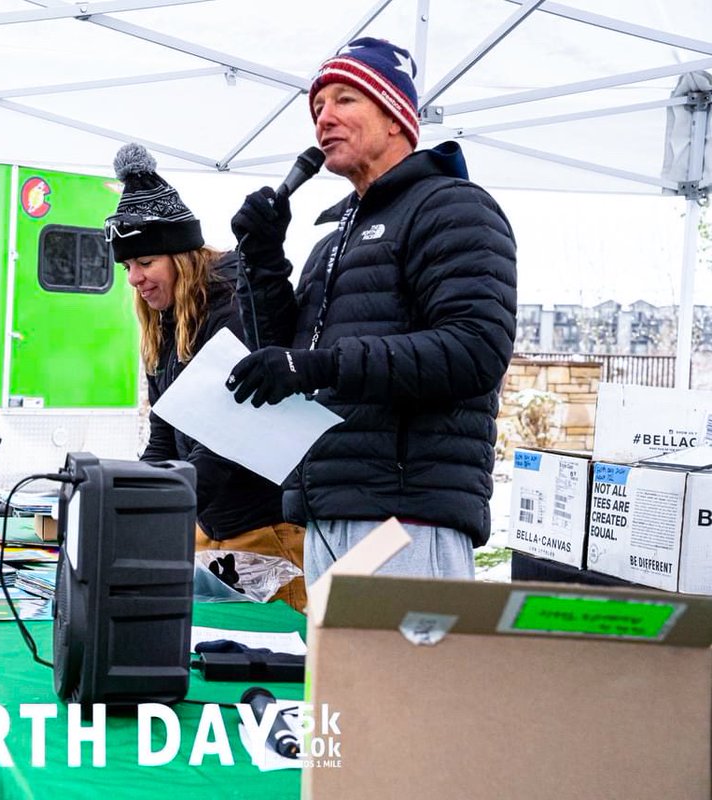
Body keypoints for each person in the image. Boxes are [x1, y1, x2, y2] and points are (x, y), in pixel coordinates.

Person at [226, 37, 517, 585]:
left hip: (405, 518)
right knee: (342, 674)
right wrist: (262, 261)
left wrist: (322, 366)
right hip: (329, 510)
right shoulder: (334, 238)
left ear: (395, 118)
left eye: (344, 100)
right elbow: (285, 357)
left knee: (404, 673)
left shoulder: (453, 207)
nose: (323, 120)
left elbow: (474, 350)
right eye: (317, 109)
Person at [107, 143, 307, 610]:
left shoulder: (235, 310)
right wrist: (132, 504)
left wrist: (155, 516)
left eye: (145, 263)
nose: (134, 278)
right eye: (128, 266)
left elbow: (223, 442)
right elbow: (163, 435)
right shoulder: (162, 322)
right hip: (207, 529)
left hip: (267, 534)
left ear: (179, 257)